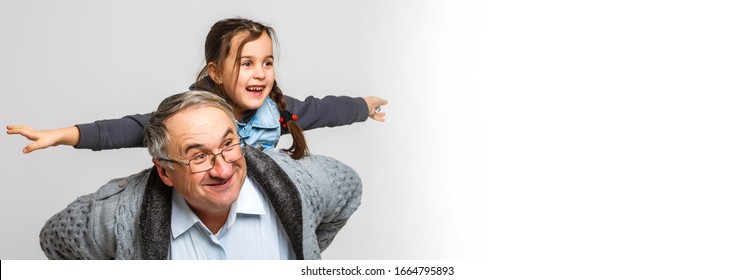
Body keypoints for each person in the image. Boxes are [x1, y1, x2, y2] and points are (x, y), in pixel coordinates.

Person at [39, 91, 362, 259]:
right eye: (198, 157)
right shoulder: (116, 215)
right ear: (165, 172)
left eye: (228, 145)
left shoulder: (304, 183)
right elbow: (56, 240)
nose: (223, 170)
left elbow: (348, 188)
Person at [6, 18, 388, 158]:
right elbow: (132, 128)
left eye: (267, 63)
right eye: (246, 63)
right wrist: (61, 135)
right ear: (215, 72)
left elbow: (327, 109)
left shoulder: (278, 111)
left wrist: (363, 105)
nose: (260, 74)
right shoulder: (191, 114)